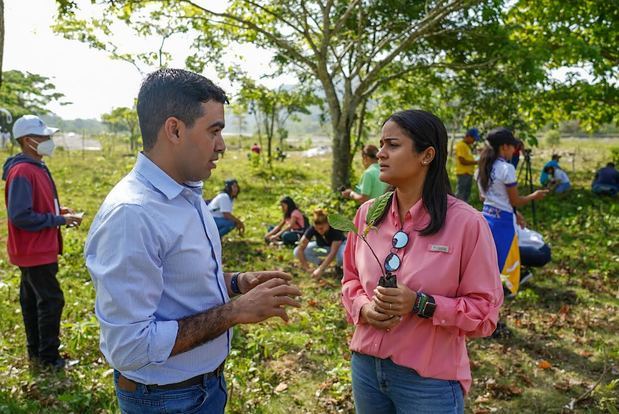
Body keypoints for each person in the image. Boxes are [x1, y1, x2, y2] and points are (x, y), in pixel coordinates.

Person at [84, 69, 301, 414]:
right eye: (214, 130)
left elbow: (177, 280)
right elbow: (130, 347)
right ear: (174, 129)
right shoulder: (133, 215)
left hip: (203, 387)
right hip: (166, 400)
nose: (222, 145)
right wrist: (235, 312)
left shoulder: (186, 192)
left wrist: (236, 283)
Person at [342, 110, 503, 413]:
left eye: (392, 145)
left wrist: (420, 303)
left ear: (427, 155)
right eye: (381, 144)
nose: (380, 153)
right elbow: (350, 280)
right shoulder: (367, 215)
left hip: (428, 382)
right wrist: (364, 308)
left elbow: (485, 313)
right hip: (365, 370)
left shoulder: (466, 224)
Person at [2, 115, 83, 369]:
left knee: (31, 300)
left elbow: (33, 205)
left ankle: (36, 354)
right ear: (28, 141)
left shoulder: (34, 166)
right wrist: (59, 220)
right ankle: (49, 359)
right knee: (51, 300)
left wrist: (59, 211)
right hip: (35, 250)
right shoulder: (23, 170)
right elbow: (21, 215)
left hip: (35, 249)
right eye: (44, 137)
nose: (49, 141)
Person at [477, 127, 548, 298]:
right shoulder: (506, 169)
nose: (514, 151)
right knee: (505, 259)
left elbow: (482, 197)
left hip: (487, 216)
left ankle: (483, 291)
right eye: (512, 147)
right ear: (504, 147)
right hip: (503, 222)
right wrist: (534, 196)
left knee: (488, 258)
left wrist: (514, 212)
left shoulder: (483, 166)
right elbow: (515, 200)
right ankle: (496, 295)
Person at [294, 209, 347, 278]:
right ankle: (321, 263)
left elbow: (333, 253)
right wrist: (307, 268)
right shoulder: (312, 228)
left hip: (339, 247)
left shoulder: (335, 229)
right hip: (324, 247)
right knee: (296, 251)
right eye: (317, 229)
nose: (319, 231)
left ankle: (339, 267)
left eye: (321, 228)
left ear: (328, 224)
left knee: (341, 257)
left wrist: (320, 270)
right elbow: (301, 247)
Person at [454, 127, 480, 202]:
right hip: (463, 173)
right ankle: (457, 211)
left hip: (468, 174)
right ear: (468, 136)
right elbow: (462, 161)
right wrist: (476, 162)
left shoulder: (466, 146)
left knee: (466, 194)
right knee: (461, 194)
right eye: (473, 139)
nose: (474, 141)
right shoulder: (461, 145)